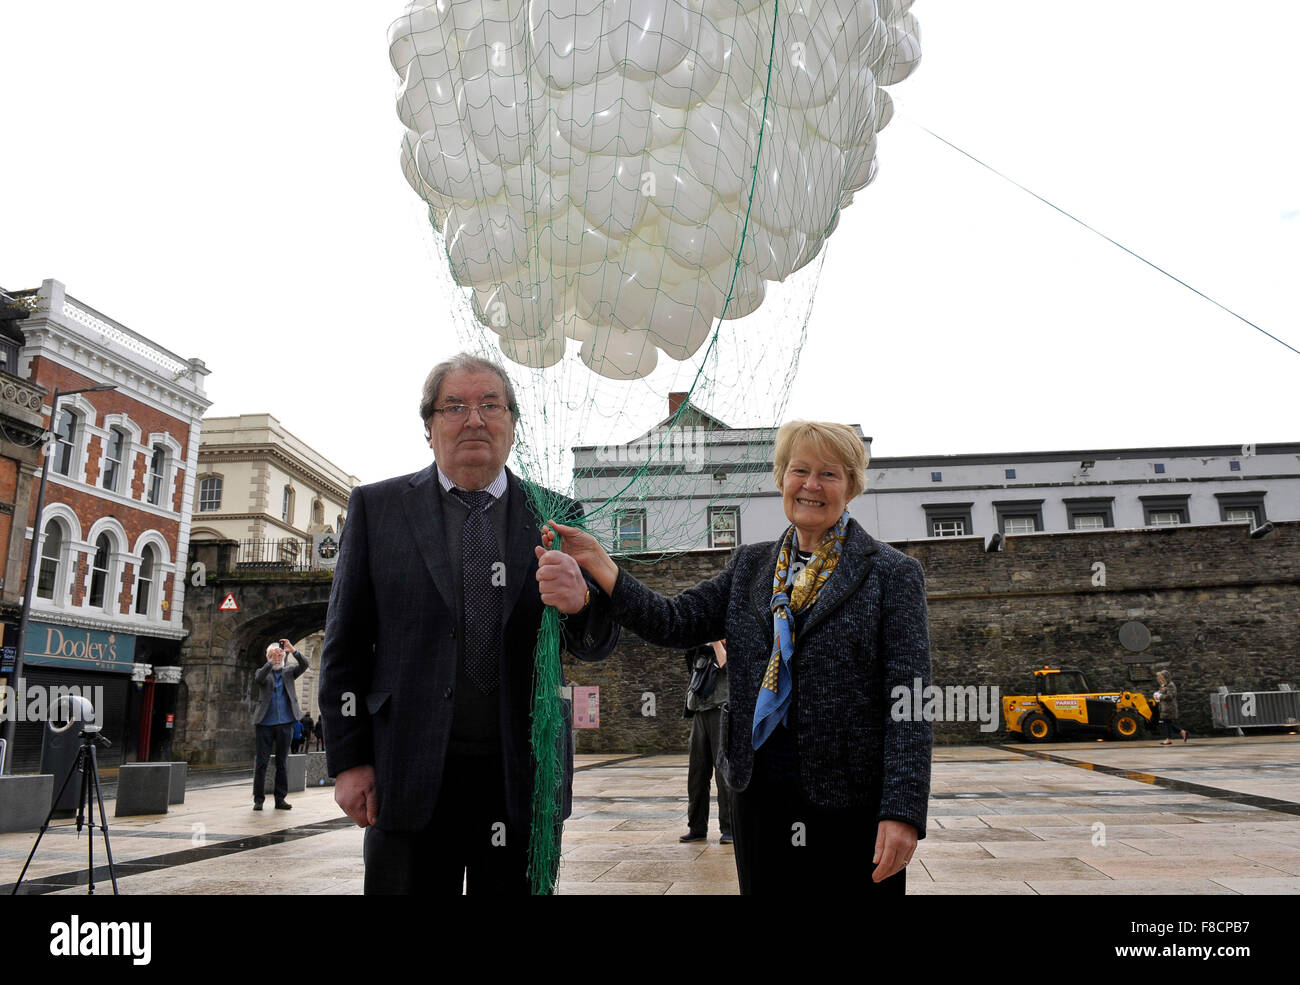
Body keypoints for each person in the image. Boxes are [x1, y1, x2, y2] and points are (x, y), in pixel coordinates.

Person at [544, 420, 932, 895]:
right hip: (759, 795)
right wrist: (601, 564)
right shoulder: (751, 566)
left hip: (851, 805)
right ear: (781, 478)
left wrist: (903, 811)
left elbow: (910, 703)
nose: (811, 485)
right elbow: (674, 620)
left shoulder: (891, 574)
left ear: (850, 486)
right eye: (799, 470)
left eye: (828, 474)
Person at [319, 352, 619, 895]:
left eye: (490, 405)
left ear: (512, 424)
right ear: (429, 427)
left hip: (521, 776)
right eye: (454, 406)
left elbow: (597, 644)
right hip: (406, 772)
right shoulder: (376, 508)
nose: (474, 419)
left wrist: (582, 605)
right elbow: (344, 646)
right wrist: (349, 761)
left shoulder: (556, 513)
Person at [681, 640, 732, 845]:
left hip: (721, 710)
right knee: (697, 774)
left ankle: (729, 827)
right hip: (700, 711)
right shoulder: (699, 651)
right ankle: (697, 827)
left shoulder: (732, 644)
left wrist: (718, 642)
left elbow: (728, 666)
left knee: (723, 774)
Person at [253, 638, 310, 810]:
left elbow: (304, 664)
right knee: (261, 763)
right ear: (267, 657)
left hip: (285, 723)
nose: (278, 659)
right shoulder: (262, 672)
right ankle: (258, 800)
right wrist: (271, 662)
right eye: (273, 656)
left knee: (282, 763)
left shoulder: (289, 672)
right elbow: (260, 678)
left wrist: (293, 651)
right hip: (265, 723)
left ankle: (280, 799)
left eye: (280, 656)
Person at [1154, 670, 1187, 745]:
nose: (1160, 680)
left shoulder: (1170, 685)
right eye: (1159, 678)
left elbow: (1170, 696)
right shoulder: (1164, 685)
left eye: (1161, 678)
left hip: (1169, 707)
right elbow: (1162, 693)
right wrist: (1157, 694)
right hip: (1164, 707)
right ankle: (1182, 732)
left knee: (1167, 723)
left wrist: (1160, 696)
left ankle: (1169, 739)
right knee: (1167, 723)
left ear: (1166, 678)